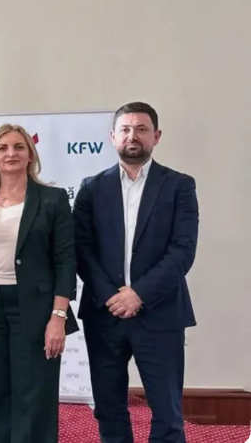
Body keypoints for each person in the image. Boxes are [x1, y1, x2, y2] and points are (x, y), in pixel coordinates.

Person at [74, 102, 198, 443]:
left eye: (141, 129)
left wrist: (139, 294)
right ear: (112, 137)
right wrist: (111, 296)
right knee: (108, 408)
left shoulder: (179, 186)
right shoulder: (91, 188)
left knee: (167, 411)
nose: (133, 136)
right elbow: (81, 249)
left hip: (160, 314)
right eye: (125, 129)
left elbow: (183, 250)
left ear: (156, 136)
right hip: (105, 314)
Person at [0, 124, 78, 443]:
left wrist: (58, 317)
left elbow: (66, 261)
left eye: (19, 147)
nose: (11, 153)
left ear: (30, 156)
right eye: (3, 148)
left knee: (34, 394)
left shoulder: (52, 199)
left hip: (37, 308)